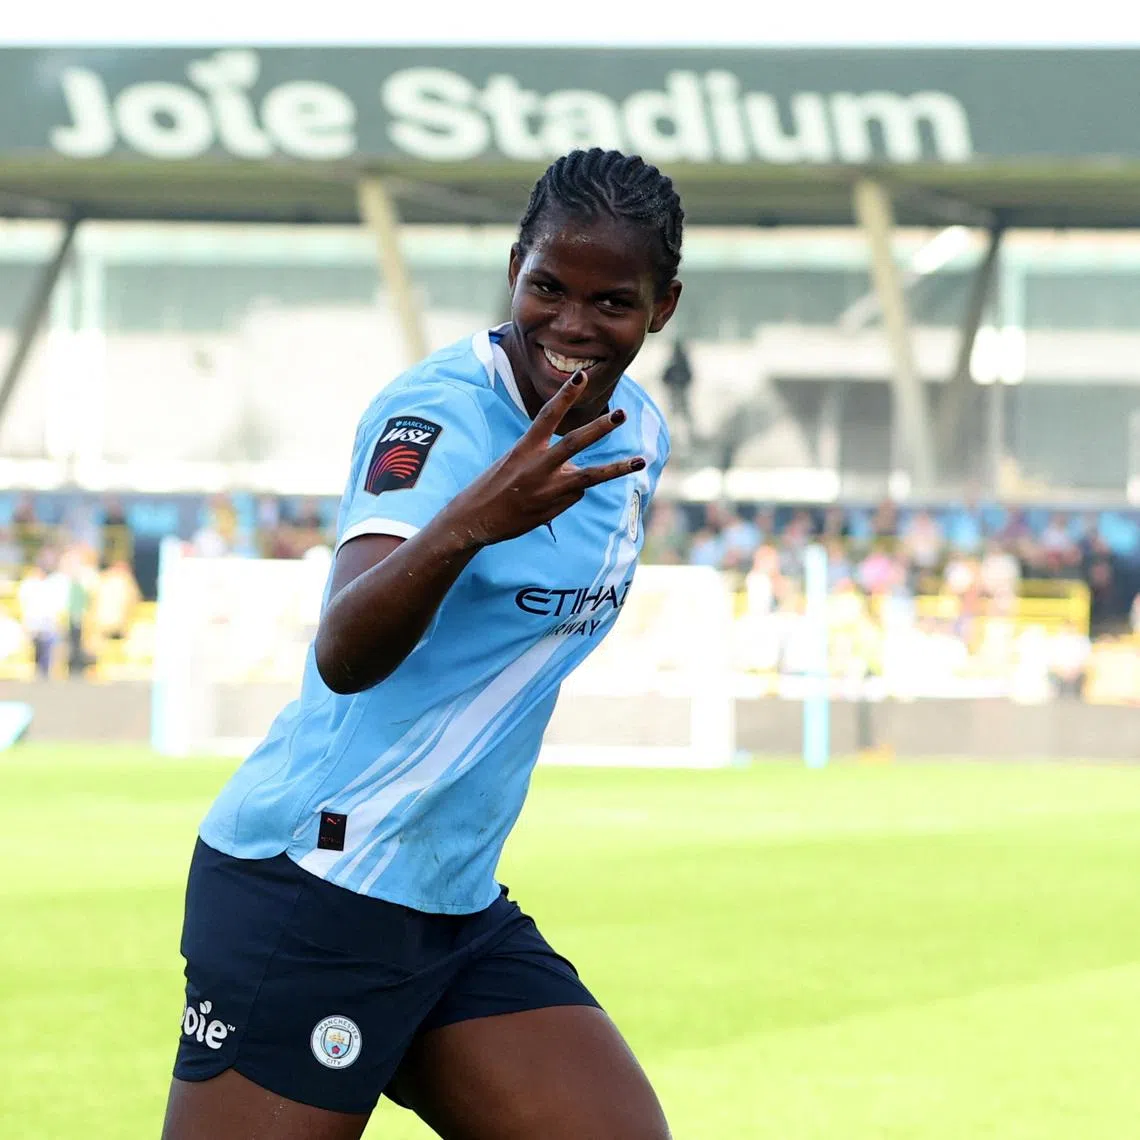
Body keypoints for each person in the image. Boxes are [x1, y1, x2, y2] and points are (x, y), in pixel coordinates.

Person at [162, 148, 683, 1140]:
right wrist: (469, 522)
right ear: (514, 273)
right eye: (547, 290)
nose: (571, 325)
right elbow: (345, 652)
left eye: (611, 301)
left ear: (661, 308)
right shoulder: (437, 419)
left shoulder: (637, 436)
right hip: (314, 885)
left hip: (448, 903)